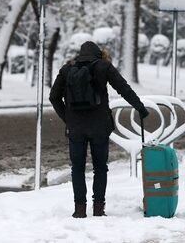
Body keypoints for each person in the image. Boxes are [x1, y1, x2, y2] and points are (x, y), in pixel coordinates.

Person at [50, 41, 149, 218]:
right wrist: (140, 107)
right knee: (100, 168)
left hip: (76, 128)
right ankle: (98, 209)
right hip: (99, 126)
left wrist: (68, 118)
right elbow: (123, 88)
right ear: (98, 54)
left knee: (77, 169)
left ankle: (79, 210)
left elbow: (53, 97)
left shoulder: (67, 70)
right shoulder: (103, 66)